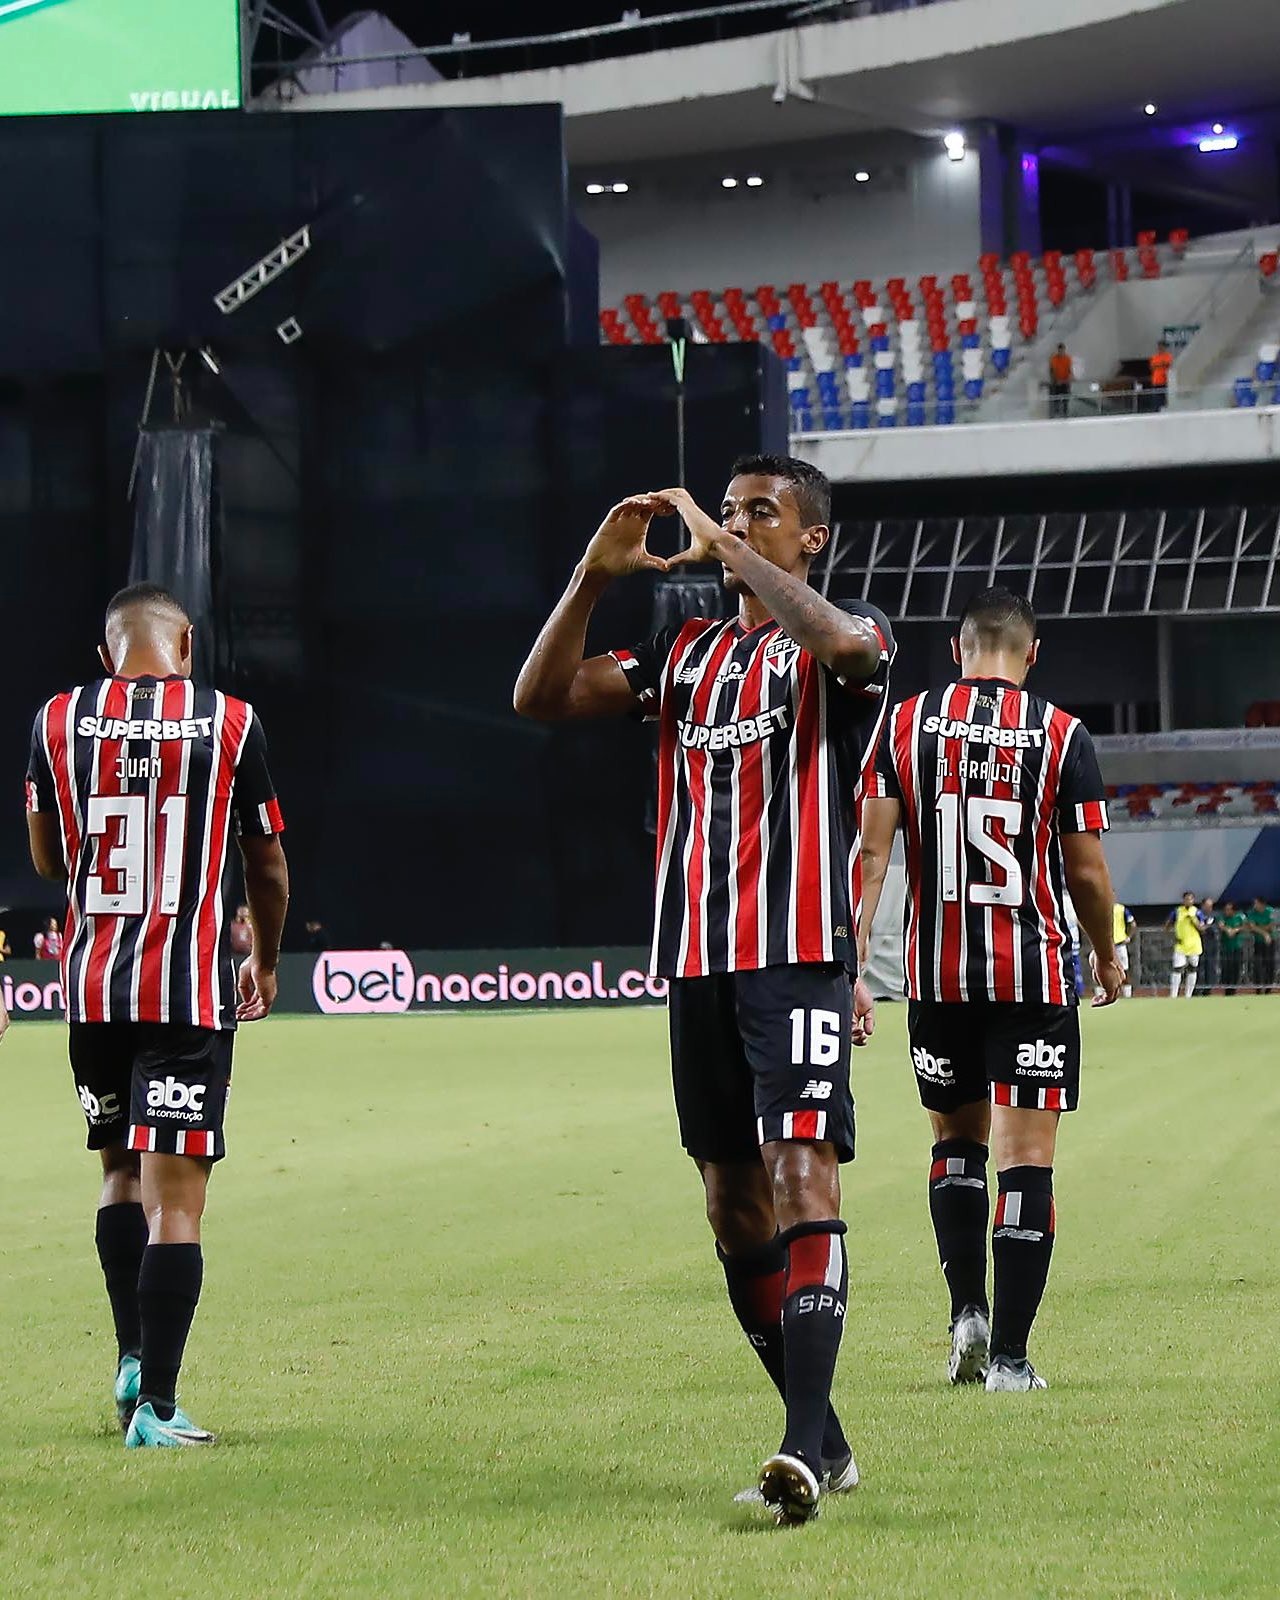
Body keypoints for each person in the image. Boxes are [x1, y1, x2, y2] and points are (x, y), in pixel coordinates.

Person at [513, 454, 894, 1525]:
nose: (729, 525)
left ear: (807, 538)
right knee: (732, 1206)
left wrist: (723, 548)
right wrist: (591, 576)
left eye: (757, 512)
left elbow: (852, 648)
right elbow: (538, 696)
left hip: (795, 954)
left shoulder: (834, 636)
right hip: (695, 961)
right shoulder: (682, 655)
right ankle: (821, 1433)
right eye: (726, 510)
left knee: (801, 1172)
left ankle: (796, 1452)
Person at [25, 583, 289, 1449]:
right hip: (184, 992)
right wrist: (264, 957)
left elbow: (46, 855)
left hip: (94, 988)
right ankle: (160, 1410)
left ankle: (132, 1357)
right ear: (186, 645)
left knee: (117, 1178)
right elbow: (268, 866)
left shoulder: (57, 719)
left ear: (107, 655)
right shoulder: (230, 720)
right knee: (178, 1201)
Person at [859, 588, 1123, 1394]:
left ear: (956, 647)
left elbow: (869, 859)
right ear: (1032, 653)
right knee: (1027, 1163)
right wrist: (1107, 954)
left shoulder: (901, 726)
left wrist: (846, 968)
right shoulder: (1060, 734)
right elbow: (1085, 868)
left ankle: (966, 1314)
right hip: (1030, 974)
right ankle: (1010, 1359)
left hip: (938, 976)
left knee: (955, 1146)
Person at [1168, 891, 1205, 997]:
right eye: (1186, 899)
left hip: (1194, 945)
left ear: (1193, 900)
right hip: (1181, 945)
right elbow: (1167, 925)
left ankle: (1188, 995)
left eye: (1190, 899)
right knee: (1177, 969)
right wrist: (1173, 936)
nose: (1188, 901)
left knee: (1192, 969)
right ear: (1183, 900)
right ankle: (1173, 995)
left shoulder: (1197, 912)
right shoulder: (1177, 911)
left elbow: (1202, 929)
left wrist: (1194, 921)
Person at [1218, 900, 1247, 995]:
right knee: (1226, 968)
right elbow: (1221, 925)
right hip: (1226, 947)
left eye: (1228, 909)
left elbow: (1246, 926)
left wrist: (1236, 930)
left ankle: (1234, 989)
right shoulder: (1222, 917)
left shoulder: (1240, 917)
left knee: (1236, 968)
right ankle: (1227, 989)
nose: (1226, 911)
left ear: (1233, 910)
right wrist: (1228, 930)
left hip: (1238, 947)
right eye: (1225, 909)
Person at [1247, 895, 1275, 990]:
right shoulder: (1251, 913)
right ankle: (1258, 988)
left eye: (1256, 903)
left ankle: (1269, 987)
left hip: (1270, 942)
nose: (1254, 905)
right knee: (1257, 964)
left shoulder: (1270, 911)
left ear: (1261, 904)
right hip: (1258, 942)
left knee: (1270, 964)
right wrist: (1264, 933)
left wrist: (1258, 927)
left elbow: (1271, 926)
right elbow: (1251, 926)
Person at [1110, 901, 1136, 998]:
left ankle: (1127, 995)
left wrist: (1129, 937)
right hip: (1106, 945)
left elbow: (1132, 924)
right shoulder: (1101, 907)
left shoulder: (1121, 909)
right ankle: (1103, 994)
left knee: (1124, 969)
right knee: (1102, 970)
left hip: (1120, 944)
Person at [1197, 896, 1218, 994]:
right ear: (1202, 906)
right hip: (1198, 945)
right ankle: (1196, 989)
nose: (1209, 908)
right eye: (1207, 906)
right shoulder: (1196, 915)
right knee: (1198, 967)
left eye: (1211, 906)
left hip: (1211, 946)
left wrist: (1206, 927)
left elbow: (1215, 928)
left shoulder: (1214, 917)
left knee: (1210, 967)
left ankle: (1208, 989)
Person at [1048, 344, 1073, 419]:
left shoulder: (1068, 359)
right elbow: (1052, 371)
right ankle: (1056, 413)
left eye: (1062, 350)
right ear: (1058, 350)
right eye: (1060, 350)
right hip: (1056, 383)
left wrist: (1068, 379)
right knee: (1056, 399)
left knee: (1066, 399)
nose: (1061, 352)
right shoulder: (1054, 359)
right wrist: (1056, 380)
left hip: (1065, 382)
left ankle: (1065, 414)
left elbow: (1069, 370)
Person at [1149, 340, 1173, 410]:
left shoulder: (1168, 356)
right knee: (1156, 398)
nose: (1160, 348)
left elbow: (1167, 364)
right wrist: (1161, 364)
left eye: (1162, 346)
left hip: (1164, 380)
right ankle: (1157, 410)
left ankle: (1164, 409)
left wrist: (1159, 365)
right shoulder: (1155, 357)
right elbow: (1152, 366)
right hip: (1156, 380)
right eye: (1159, 346)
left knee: (1164, 398)